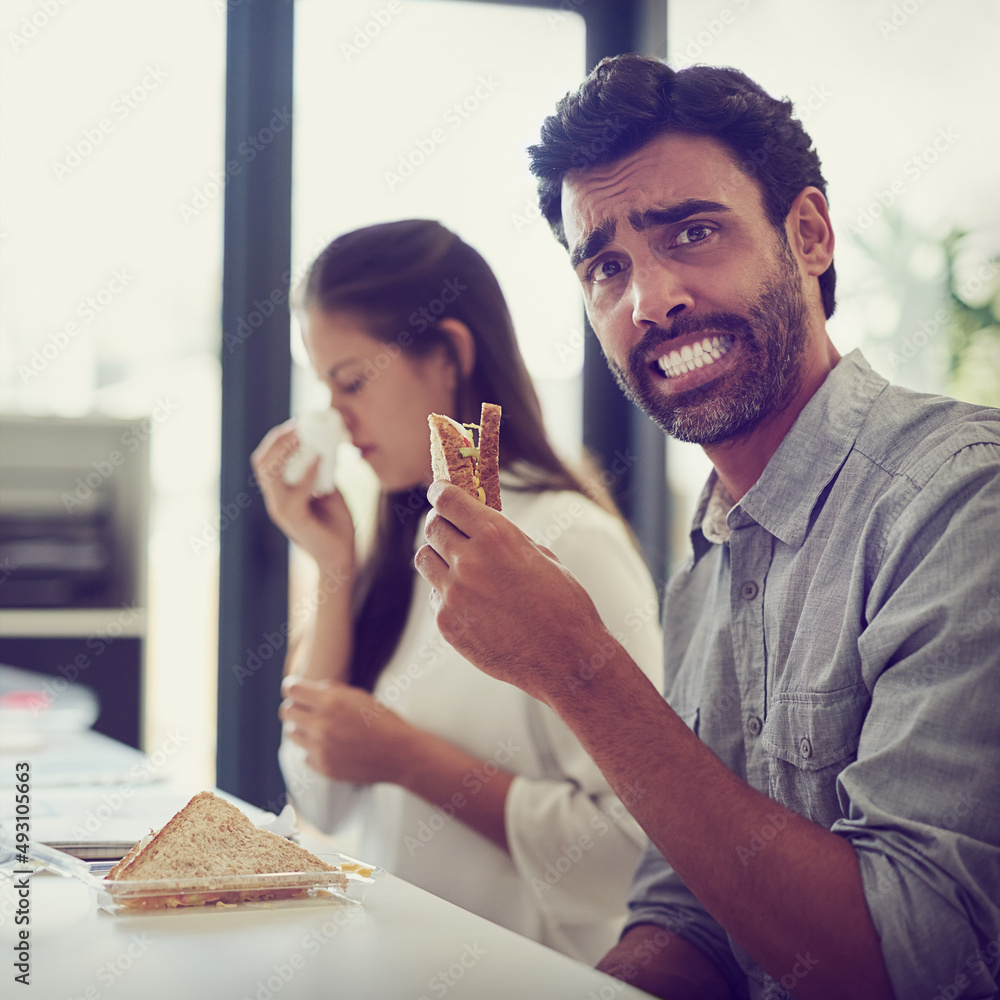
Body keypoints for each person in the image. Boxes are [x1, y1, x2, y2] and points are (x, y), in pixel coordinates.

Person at [415, 55, 1000, 1000]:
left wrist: (578, 670)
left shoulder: (962, 501)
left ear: (808, 235)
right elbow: (688, 911)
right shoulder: (708, 566)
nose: (650, 301)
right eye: (606, 267)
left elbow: (914, 959)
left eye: (691, 232)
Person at [250, 219, 664, 964]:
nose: (337, 424)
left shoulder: (569, 543)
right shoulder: (411, 544)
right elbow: (321, 795)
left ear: (448, 356)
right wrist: (333, 565)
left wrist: (409, 759)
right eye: (325, 390)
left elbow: (634, 849)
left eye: (351, 382)